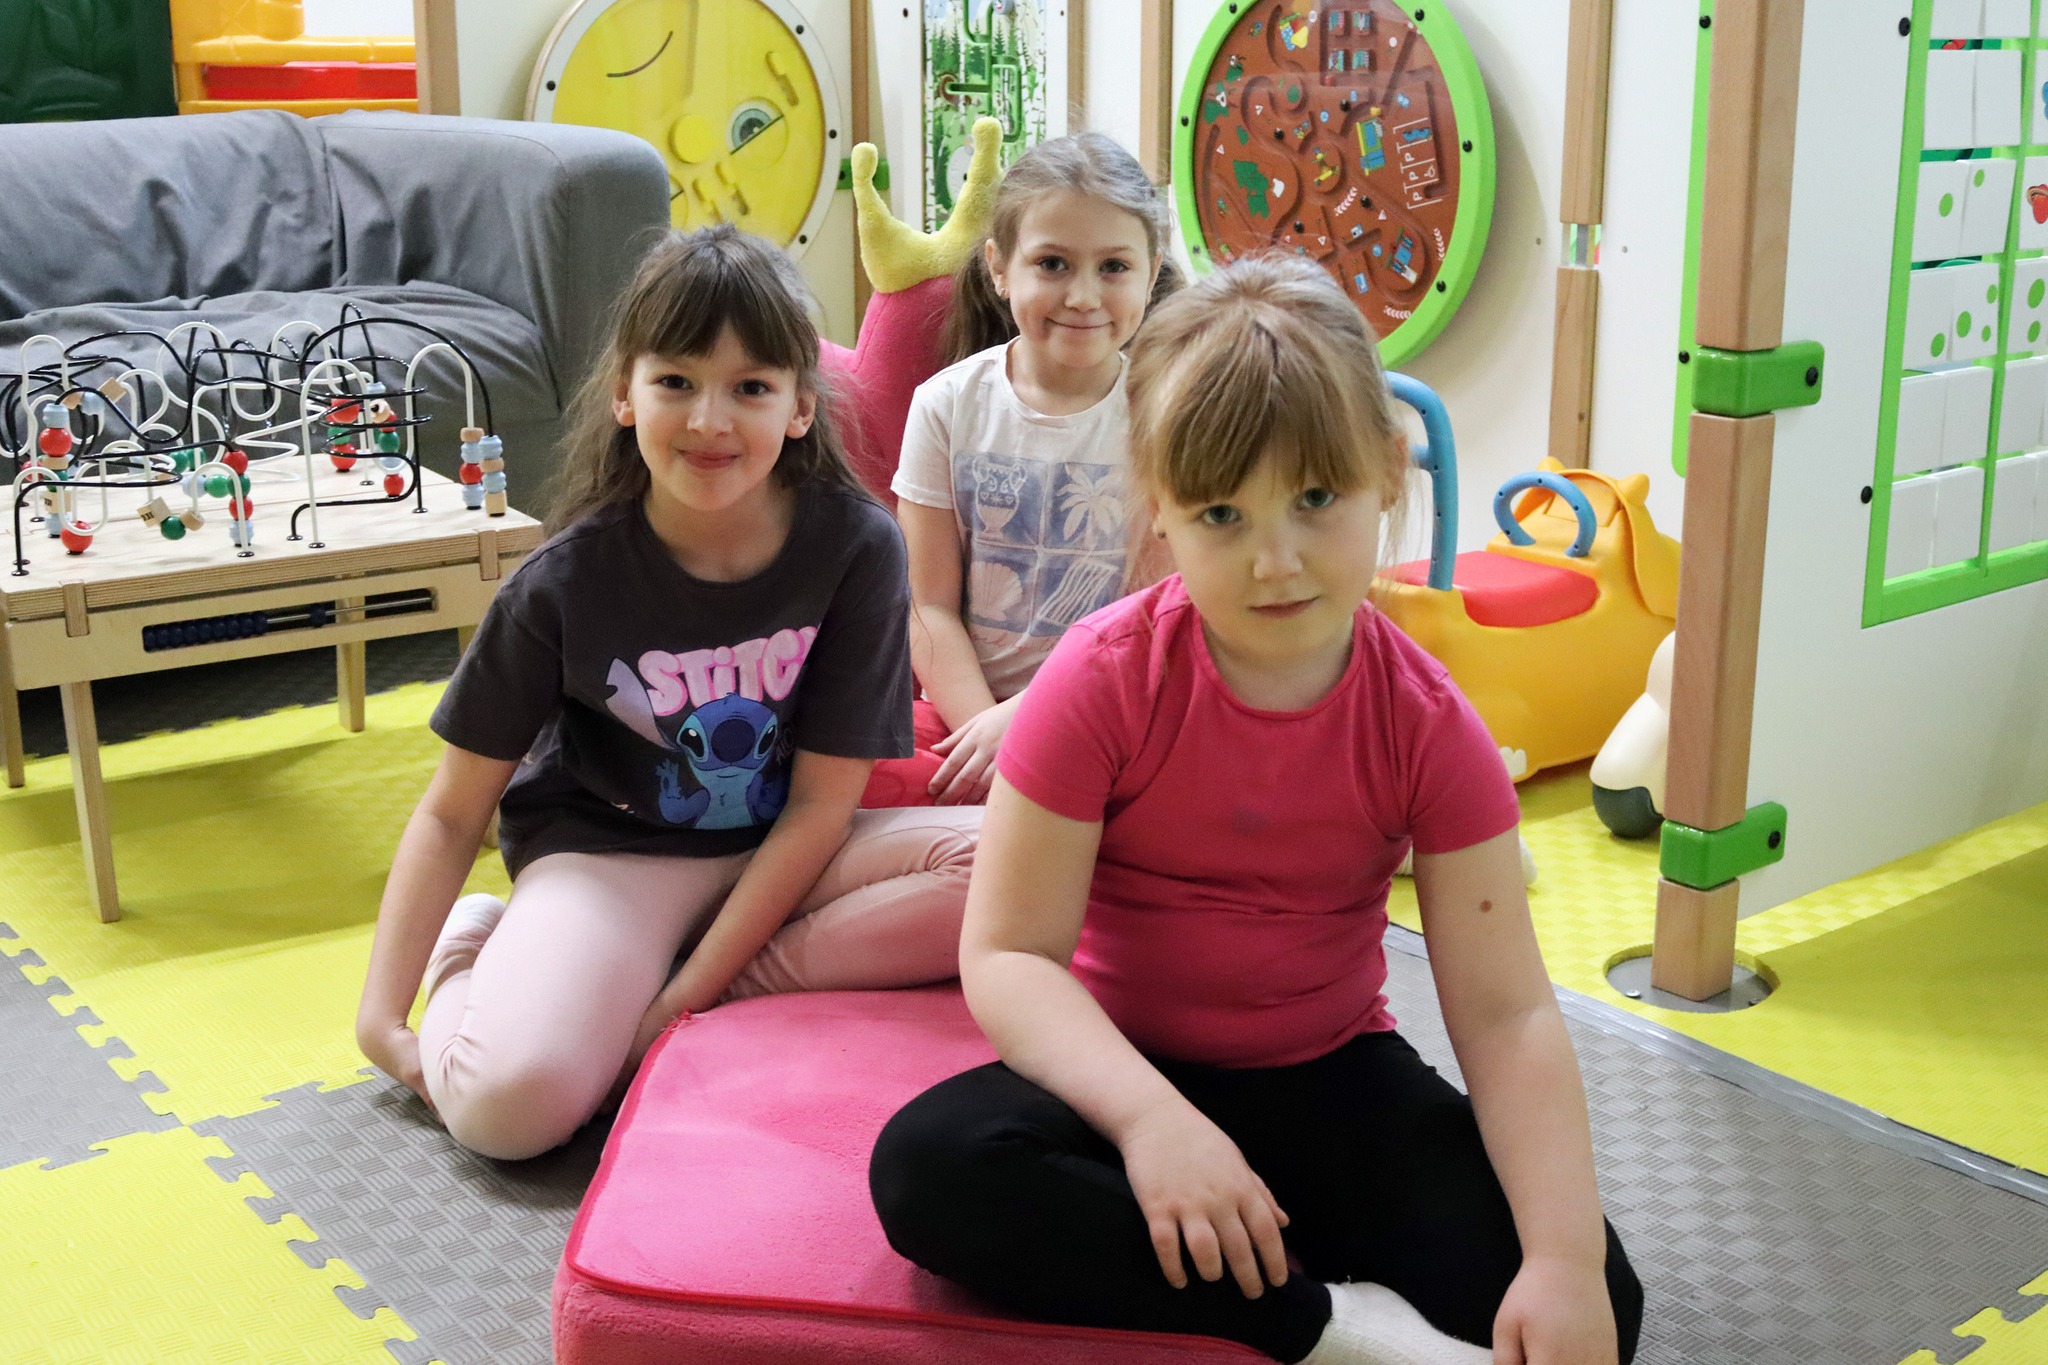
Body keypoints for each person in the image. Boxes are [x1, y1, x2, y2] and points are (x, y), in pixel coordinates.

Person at [870, 254, 1642, 1365]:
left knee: (1597, 1296)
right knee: (931, 1168)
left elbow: (1507, 1014)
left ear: (1386, 474)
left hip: (1330, 1078)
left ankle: (1266, 1271)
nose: (1274, 561)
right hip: (1120, 1070)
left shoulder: (1426, 721)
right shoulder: (1102, 677)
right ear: (1160, 510)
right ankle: (1332, 1330)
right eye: (1223, 514)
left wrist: (1560, 1260)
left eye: (1315, 500)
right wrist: (1153, 1124)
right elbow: (1009, 956)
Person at [355, 225, 979, 1161]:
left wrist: (679, 1005)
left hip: (790, 848)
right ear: (625, 393)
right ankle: (478, 951)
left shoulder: (858, 545)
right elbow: (452, 813)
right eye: (677, 381)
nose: (710, 421)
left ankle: (695, 988)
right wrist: (382, 1015)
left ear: (801, 406)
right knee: (506, 1112)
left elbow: (821, 806)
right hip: (612, 860)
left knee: (1014, 872)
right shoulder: (564, 580)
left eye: (751, 387)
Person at [862, 132, 1179, 808]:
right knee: (838, 770)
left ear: (1151, 273)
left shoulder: (1166, 416)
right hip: (967, 719)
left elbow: (1152, 619)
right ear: (1000, 268)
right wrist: (989, 735)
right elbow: (928, 606)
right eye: (1053, 264)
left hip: (1112, 713)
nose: (1084, 296)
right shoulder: (945, 406)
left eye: (1114, 267)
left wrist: (1030, 724)